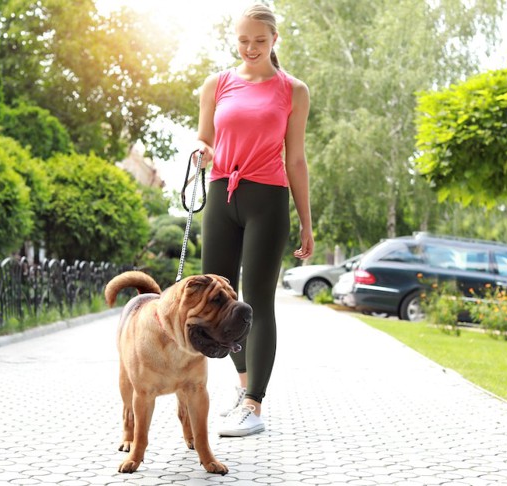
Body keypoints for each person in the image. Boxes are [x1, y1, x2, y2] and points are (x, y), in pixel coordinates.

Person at [194, 3, 314, 437]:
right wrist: (203, 151)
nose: (250, 48)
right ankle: (242, 388)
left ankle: (254, 405)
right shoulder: (217, 84)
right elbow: (205, 137)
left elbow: (296, 160)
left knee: (257, 302)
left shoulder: (292, 90)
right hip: (221, 194)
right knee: (215, 303)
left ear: (274, 41)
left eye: (259, 41)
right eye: (243, 40)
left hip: (268, 198)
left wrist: (306, 220)